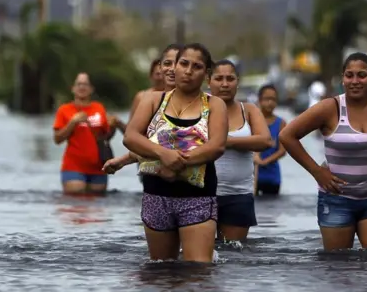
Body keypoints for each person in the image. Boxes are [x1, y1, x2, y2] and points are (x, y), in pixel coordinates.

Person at [279, 52, 367, 251]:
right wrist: (317, 172)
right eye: (349, 75)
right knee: (338, 266)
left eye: (362, 75)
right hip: (336, 200)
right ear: (342, 78)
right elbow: (287, 136)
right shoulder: (329, 108)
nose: (355, 81)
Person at [121, 43, 228, 263]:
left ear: (207, 74)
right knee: (161, 269)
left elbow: (217, 146)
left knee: (198, 271)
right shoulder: (153, 100)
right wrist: (162, 154)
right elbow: (130, 137)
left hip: (197, 197)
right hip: (156, 195)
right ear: (174, 67)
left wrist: (177, 162)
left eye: (197, 66)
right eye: (184, 63)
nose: (188, 71)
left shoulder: (215, 105)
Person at [209, 60, 272, 242]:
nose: (225, 84)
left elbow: (266, 140)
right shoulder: (199, 110)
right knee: (198, 258)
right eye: (219, 78)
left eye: (230, 78)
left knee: (234, 255)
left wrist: (226, 142)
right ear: (209, 81)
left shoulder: (249, 110)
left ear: (238, 81)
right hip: (202, 195)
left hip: (238, 195)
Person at [102, 44, 181, 172]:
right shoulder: (145, 97)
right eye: (167, 64)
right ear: (152, 75)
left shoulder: (199, 101)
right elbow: (131, 135)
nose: (170, 70)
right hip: (147, 160)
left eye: (176, 64)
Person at [53, 72, 115, 195]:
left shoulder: (99, 108)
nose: (82, 87)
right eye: (79, 84)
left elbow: (106, 137)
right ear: (73, 88)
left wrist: (113, 126)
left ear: (91, 89)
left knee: (97, 204)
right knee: (76, 199)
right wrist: (72, 123)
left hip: (98, 168)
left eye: (85, 84)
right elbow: (57, 139)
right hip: (73, 167)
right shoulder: (64, 110)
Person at [254, 84, 287, 196]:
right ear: (259, 100)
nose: (270, 103)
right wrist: (255, 158)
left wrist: (265, 162)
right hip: (253, 175)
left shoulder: (281, 123)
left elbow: (282, 151)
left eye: (273, 99)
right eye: (266, 99)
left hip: (272, 177)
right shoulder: (252, 120)